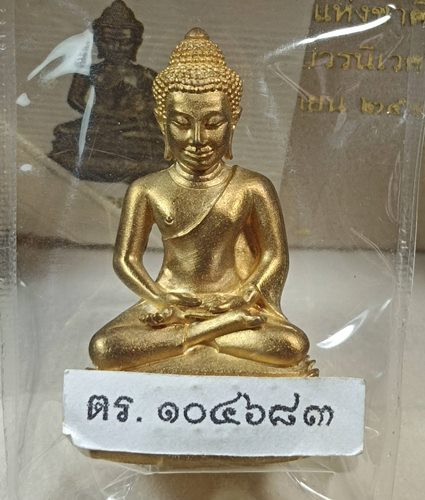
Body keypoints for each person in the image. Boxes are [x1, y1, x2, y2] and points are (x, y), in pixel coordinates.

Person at [89, 28, 312, 374]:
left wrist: (245, 294)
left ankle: (182, 348)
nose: (197, 139)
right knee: (105, 347)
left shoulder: (252, 187)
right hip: (171, 305)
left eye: (213, 123)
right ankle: (210, 338)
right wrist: (160, 298)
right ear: (162, 123)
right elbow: (126, 259)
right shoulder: (146, 189)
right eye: (181, 123)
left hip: (233, 302)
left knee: (291, 345)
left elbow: (274, 255)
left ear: (233, 121)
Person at [49, 0, 167, 183]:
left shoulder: (145, 75)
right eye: (109, 41)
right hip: (100, 124)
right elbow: (75, 99)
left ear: (136, 43)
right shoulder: (90, 72)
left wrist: (137, 114)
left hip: (134, 128)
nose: (116, 48)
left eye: (124, 42)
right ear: (98, 42)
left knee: (158, 143)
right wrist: (97, 113)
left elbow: (159, 104)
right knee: (65, 133)